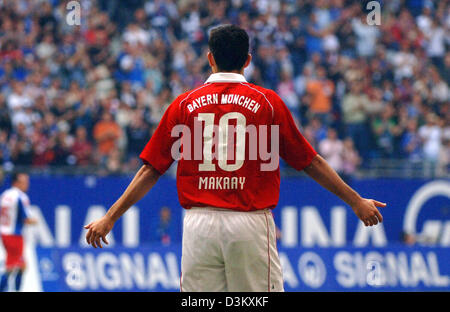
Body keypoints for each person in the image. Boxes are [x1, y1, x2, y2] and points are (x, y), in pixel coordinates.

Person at [84, 25, 386, 292]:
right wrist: (356, 201)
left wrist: (110, 217)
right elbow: (310, 162)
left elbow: (150, 169)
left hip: (198, 225)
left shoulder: (184, 105)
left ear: (210, 58)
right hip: (249, 223)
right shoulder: (267, 103)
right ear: (247, 60)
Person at [0, 172, 37, 292]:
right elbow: (26, 219)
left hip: (4, 233)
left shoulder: (5, 195)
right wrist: (35, 221)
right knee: (14, 266)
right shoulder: (21, 197)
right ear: (16, 182)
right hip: (14, 234)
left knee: (19, 265)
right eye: (24, 182)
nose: (27, 184)